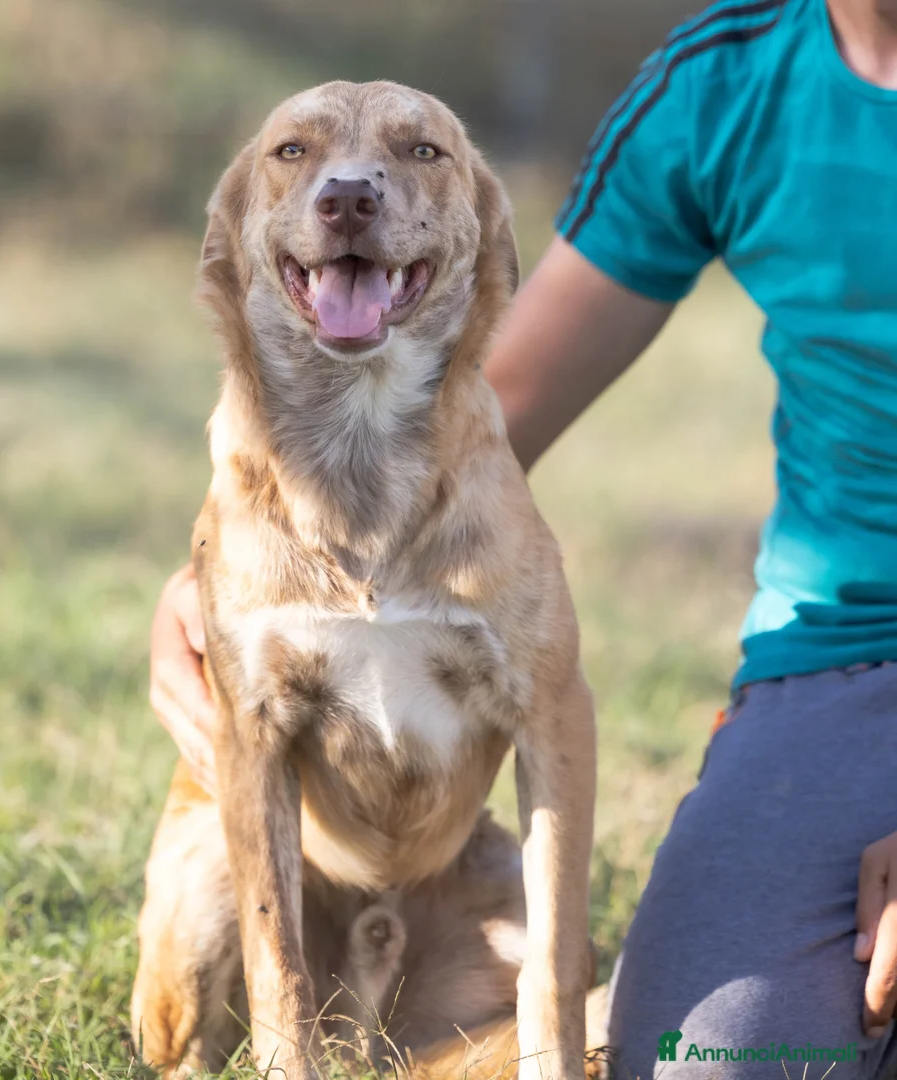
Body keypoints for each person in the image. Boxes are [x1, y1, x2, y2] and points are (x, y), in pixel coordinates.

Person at [149, 0, 897, 1074]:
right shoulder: (721, 84)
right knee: (714, 1060)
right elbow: (492, 398)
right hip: (838, 657)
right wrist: (221, 576)